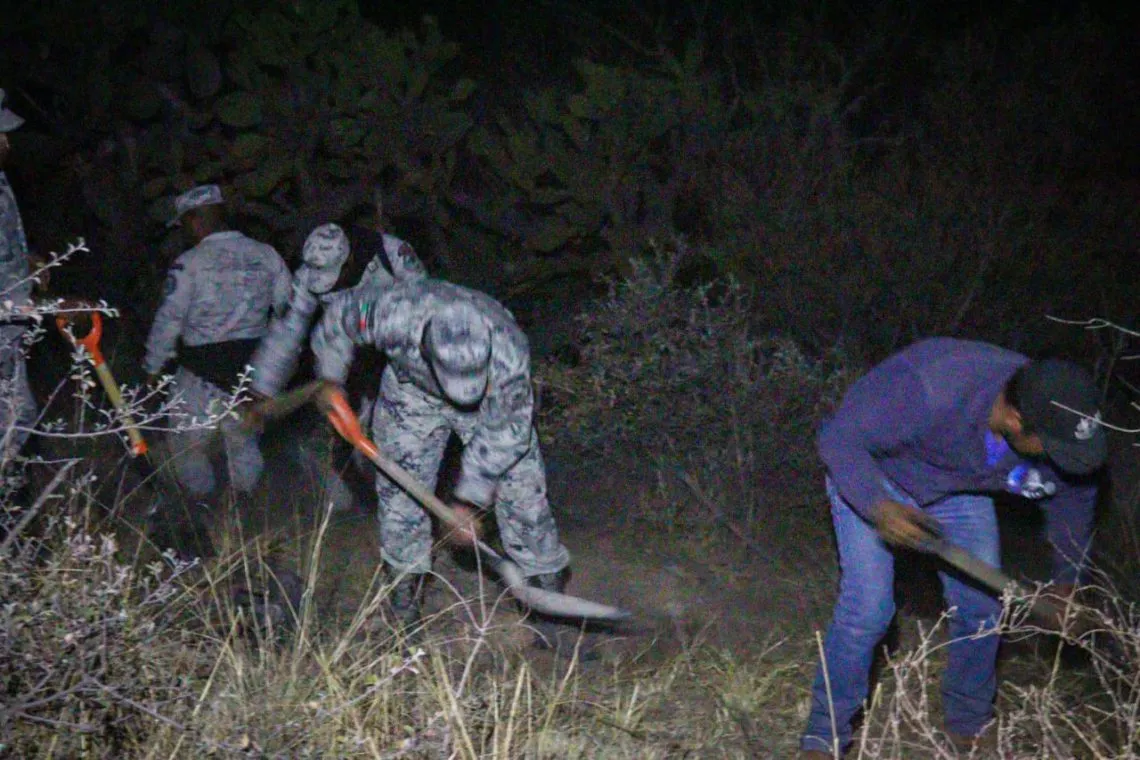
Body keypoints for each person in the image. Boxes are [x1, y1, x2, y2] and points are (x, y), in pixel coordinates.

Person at [799, 338, 1107, 757]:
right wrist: (876, 504)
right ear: (1015, 420)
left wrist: (1067, 581)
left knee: (982, 606)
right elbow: (840, 440)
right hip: (872, 471)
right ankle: (823, 739)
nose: (1064, 461)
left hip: (955, 485)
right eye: (1057, 451)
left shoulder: (1053, 407)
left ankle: (969, 723)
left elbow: (1074, 496)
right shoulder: (931, 388)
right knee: (868, 609)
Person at [307, 277, 573, 647]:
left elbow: (506, 434)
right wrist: (331, 377)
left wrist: (468, 501)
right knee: (401, 501)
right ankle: (404, 616)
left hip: (490, 402)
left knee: (523, 495)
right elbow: (337, 319)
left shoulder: (509, 350)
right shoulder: (392, 312)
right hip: (411, 395)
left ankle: (550, 611)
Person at [143, 184, 290, 499]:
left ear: (195, 220)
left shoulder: (189, 264)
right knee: (244, 443)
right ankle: (242, 505)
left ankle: (200, 505)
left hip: (201, 372)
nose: (183, 232)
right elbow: (288, 315)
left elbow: (169, 320)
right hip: (251, 371)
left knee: (186, 446)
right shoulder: (267, 255)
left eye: (183, 224)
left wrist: (153, 366)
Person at [0, 88, 49, 464]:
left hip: (8, 337)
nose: (6, 144)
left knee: (21, 423)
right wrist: (51, 306)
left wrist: (25, 261)